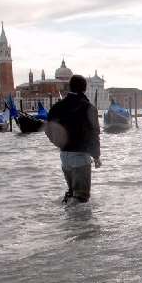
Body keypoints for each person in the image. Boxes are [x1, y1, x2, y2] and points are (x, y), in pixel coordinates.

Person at [45, 75, 101, 203]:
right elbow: (94, 134)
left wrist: (61, 144)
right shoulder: (89, 108)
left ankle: (67, 220)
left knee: (72, 194)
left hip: (64, 157)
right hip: (80, 157)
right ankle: (75, 222)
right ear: (85, 89)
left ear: (70, 87)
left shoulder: (57, 107)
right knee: (81, 199)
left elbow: (48, 129)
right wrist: (96, 156)